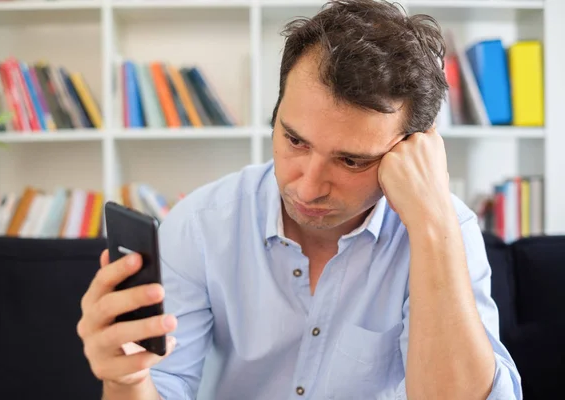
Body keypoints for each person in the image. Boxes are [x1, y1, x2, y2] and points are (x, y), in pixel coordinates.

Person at [77, 0, 523, 399]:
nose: (308, 188)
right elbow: (165, 387)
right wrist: (127, 381)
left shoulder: (444, 229)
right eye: (294, 140)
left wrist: (431, 228)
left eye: (351, 161)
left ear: (410, 152)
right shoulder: (201, 225)